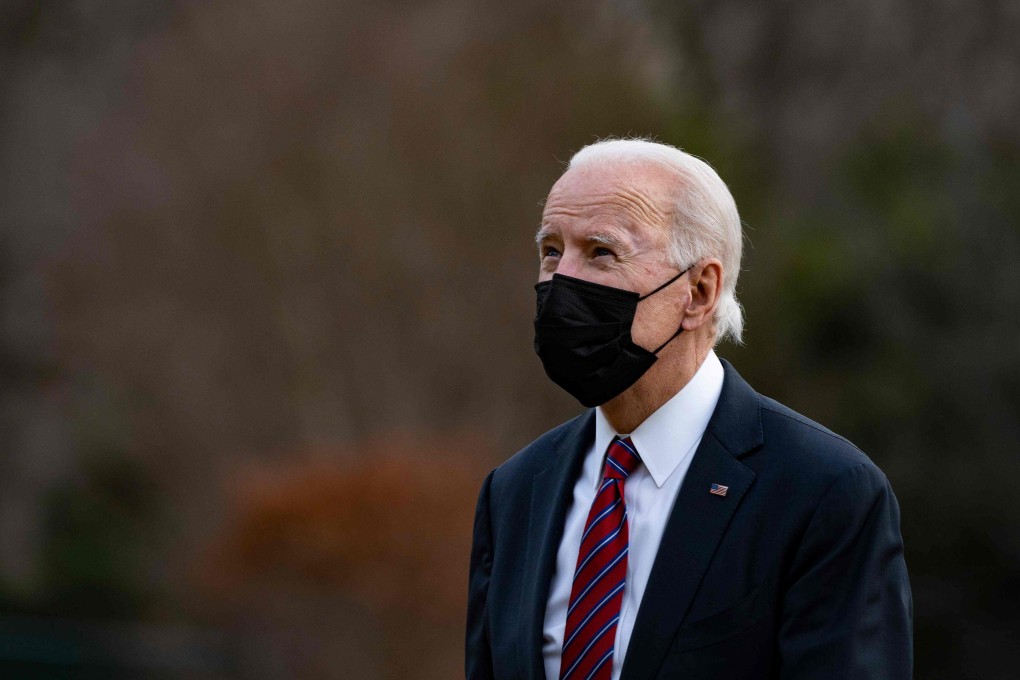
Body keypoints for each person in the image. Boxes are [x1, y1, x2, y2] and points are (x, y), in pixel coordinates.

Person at [465, 138, 912, 680]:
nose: (562, 281)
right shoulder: (514, 491)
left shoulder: (823, 492)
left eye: (601, 252)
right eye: (552, 251)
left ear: (699, 291)